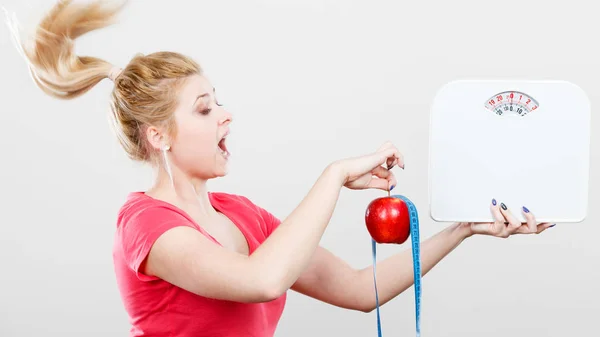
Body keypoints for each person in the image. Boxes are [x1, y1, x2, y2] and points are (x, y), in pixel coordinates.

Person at [8, 1, 554, 336]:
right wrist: (334, 176)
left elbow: (362, 290)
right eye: (203, 108)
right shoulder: (144, 224)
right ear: (158, 136)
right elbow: (261, 281)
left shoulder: (243, 216)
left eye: (218, 100)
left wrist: (463, 229)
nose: (225, 114)